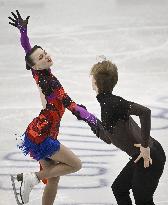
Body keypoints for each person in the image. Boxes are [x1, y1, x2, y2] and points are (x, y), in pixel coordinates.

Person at [8, 10, 111, 205]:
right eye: (41, 58)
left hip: (38, 132)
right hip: (42, 136)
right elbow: (71, 105)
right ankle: (30, 178)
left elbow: (28, 52)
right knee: (75, 164)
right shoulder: (50, 84)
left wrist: (23, 34)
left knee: (53, 178)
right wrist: (92, 120)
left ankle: (36, 184)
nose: (46, 57)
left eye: (44, 53)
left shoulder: (39, 72)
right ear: (35, 67)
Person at [90, 59, 166, 205]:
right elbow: (108, 137)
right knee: (119, 188)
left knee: (143, 201)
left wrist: (144, 147)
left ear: (95, 82)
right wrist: (89, 119)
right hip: (144, 155)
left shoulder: (112, 103)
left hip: (149, 156)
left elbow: (145, 112)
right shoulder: (107, 104)